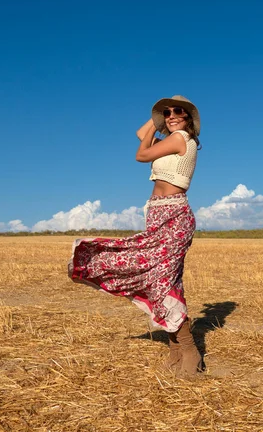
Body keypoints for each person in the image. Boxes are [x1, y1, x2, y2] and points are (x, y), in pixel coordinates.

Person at [68, 95, 201, 376]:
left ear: (189, 117)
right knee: (159, 282)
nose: (172, 115)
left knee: (163, 281)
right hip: (156, 213)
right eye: (167, 112)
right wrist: (156, 120)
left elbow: (140, 154)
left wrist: (160, 123)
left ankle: (189, 349)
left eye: (178, 111)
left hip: (175, 216)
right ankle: (176, 350)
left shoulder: (179, 138)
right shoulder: (168, 140)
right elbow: (143, 134)